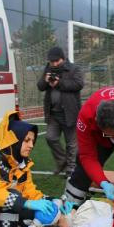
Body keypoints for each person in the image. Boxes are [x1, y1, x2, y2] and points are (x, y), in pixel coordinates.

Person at [37, 46, 84, 176]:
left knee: (71, 144)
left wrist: (59, 83)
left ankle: (71, 169)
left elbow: (78, 84)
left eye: (57, 61)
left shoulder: (74, 69)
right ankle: (62, 160)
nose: (54, 64)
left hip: (70, 112)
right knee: (50, 138)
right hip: (53, 113)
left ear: (63, 58)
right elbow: (40, 87)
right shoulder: (48, 69)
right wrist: (45, 80)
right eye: (52, 62)